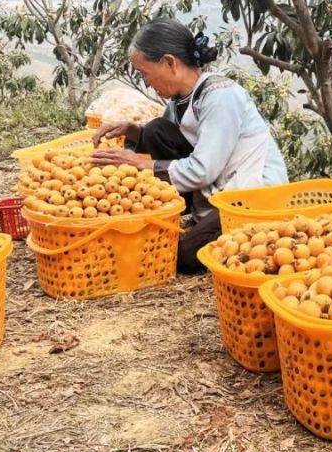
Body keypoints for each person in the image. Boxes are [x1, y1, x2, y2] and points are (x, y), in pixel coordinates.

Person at [91, 18, 289, 273]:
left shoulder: (220, 97)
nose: (147, 82)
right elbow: (169, 138)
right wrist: (133, 131)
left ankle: (213, 224)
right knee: (155, 130)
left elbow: (202, 170)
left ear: (170, 62)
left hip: (251, 198)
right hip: (219, 186)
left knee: (184, 257)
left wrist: (140, 164)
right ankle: (190, 212)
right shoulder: (183, 98)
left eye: (145, 73)